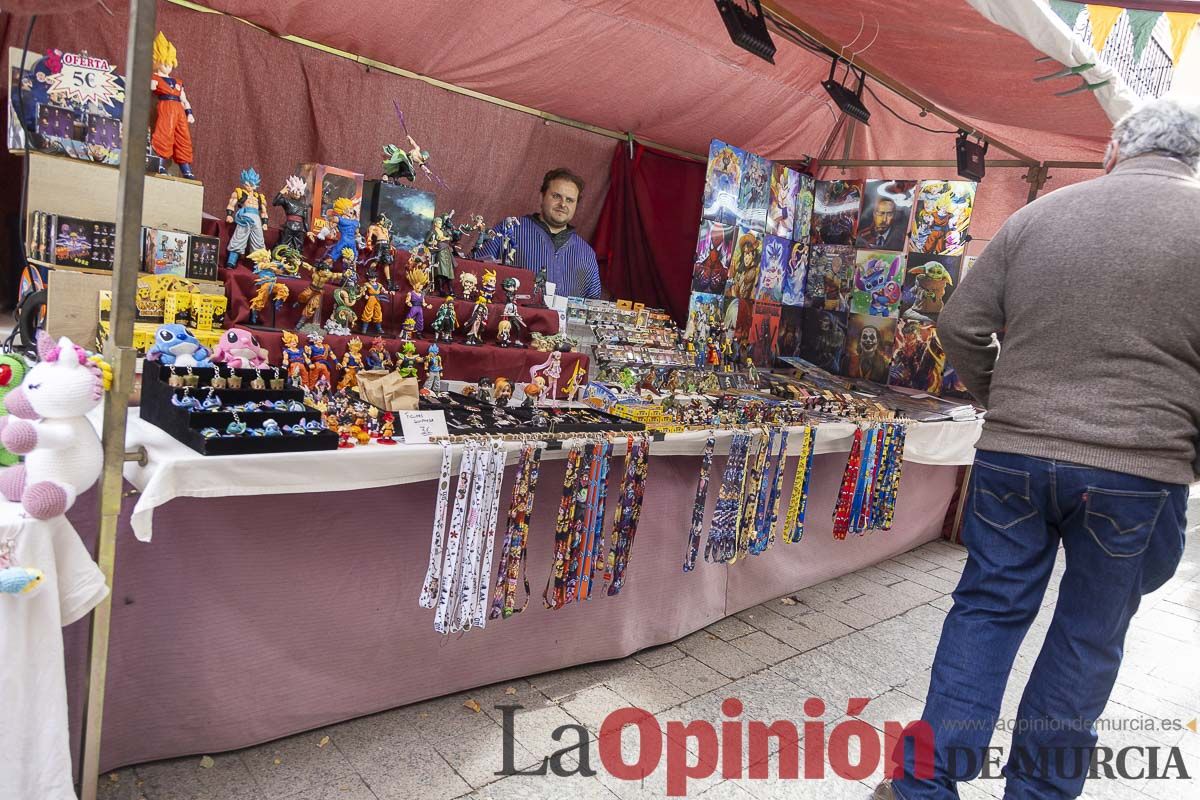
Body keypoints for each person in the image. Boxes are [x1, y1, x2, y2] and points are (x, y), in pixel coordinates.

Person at [876, 98, 1200, 800]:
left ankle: (923, 788)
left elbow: (960, 321)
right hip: (1137, 469)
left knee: (986, 609)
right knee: (1088, 636)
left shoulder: (1039, 216)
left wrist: (1002, 395)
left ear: (1114, 151)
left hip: (1013, 457)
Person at [477, 167, 602, 299]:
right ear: (542, 196)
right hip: (512, 317)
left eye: (570, 200)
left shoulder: (587, 254)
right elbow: (476, 271)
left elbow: (593, 303)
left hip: (566, 320)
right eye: (556, 196)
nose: (563, 204)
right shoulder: (509, 230)